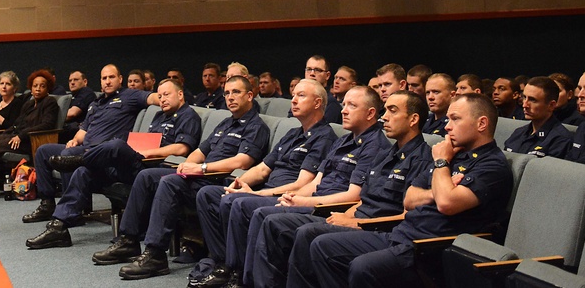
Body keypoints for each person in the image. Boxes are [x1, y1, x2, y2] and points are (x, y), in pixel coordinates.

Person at [288, 93, 514, 288]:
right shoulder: (451, 153)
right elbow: (410, 199)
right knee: (321, 245)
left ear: (482, 124)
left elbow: (447, 204)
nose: (447, 126)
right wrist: (442, 187)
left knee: (362, 267)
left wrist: (441, 167)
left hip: (429, 249)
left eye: (455, 119)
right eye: (447, 119)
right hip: (400, 234)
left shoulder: (490, 165)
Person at [90, 75, 270, 280]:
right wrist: (188, 164)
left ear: (249, 95)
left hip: (217, 181)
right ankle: (129, 240)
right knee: (146, 176)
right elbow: (199, 152)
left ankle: (155, 254)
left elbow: (242, 162)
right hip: (199, 175)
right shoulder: (225, 124)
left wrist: (201, 168)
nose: (230, 97)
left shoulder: (257, 126)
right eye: (227, 93)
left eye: (236, 92)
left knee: (169, 182)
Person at [248, 91, 432, 288]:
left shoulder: (421, 159)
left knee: (311, 237)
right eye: (385, 110)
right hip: (355, 217)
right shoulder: (387, 154)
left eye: (392, 111)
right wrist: (345, 215)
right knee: (301, 232)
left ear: (413, 119)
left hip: (380, 229)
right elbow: (363, 200)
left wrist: (356, 223)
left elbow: (406, 216)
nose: (384, 116)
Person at [216, 86, 389, 288]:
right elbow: (315, 183)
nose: (343, 110)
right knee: (255, 209)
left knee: (266, 216)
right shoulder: (343, 140)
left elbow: (353, 195)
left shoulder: (374, 145)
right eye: (344, 105)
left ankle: (252, 282)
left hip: (331, 208)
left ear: (370, 113)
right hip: (314, 200)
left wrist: (301, 200)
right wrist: (292, 197)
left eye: (352, 105)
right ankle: (246, 279)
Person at [24, 78, 203, 249]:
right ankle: (58, 226)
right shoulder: (158, 116)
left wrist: (148, 152)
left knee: (116, 144)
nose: (162, 99)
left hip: (153, 167)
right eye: (161, 95)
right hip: (135, 163)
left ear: (180, 95)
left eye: (167, 95)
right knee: (84, 172)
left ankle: (81, 158)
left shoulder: (188, 116)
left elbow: (181, 149)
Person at [190, 79, 337, 284]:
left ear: (318, 103)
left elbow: (302, 184)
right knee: (210, 194)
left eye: (301, 96)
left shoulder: (324, 137)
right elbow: (262, 169)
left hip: (285, 197)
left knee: (239, 203)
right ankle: (223, 260)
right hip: (265, 190)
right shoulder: (292, 134)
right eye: (293, 95)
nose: (293, 100)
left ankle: (236, 273)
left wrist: (256, 194)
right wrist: (239, 183)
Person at [33, 64, 160, 201]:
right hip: (84, 148)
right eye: (104, 78)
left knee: (67, 155)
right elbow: (83, 131)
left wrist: (166, 98)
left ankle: (71, 204)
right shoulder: (95, 104)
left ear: (120, 79)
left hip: (104, 152)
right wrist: (74, 140)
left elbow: (153, 98)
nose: (108, 81)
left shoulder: (129, 95)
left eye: (111, 77)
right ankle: (46, 202)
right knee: (43, 151)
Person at [502, 76, 573, 158]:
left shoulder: (561, 140)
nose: (525, 105)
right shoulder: (518, 133)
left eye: (532, 100)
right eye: (525, 97)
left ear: (551, 105)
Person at [296, 56, 342, 124]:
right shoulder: (297, 98)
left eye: (317, 70)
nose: (312, 74)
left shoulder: (331, 104)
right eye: (309, 69)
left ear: (327, 75)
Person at [61, 69, 98, 141]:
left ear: (85, 82)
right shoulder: (71, 96)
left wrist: (55, 120)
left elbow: (72, 114)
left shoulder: (86, 92)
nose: (72, 82)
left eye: (76, 80)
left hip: (82, 130)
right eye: (70, 80)